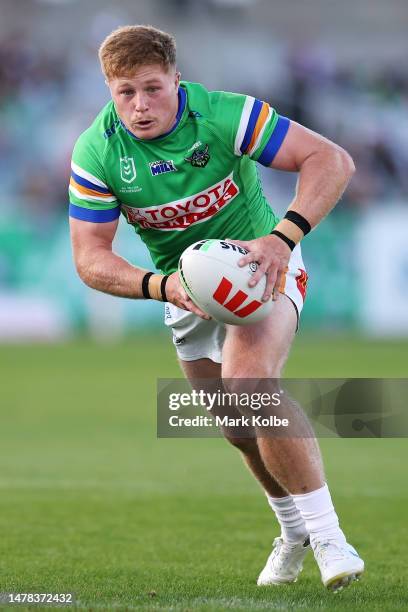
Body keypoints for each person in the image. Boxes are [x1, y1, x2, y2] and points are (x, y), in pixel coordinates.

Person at [69, 25, 364, 591]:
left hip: (260, 268)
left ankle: (330, 539)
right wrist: (163, 288)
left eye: (152, 88)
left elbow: (332, 160)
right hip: (184, 290)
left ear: (176, 79)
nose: (140, 105)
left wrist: (282, 240)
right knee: (233, 424)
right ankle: (292, 531)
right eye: (124, 93)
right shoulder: (98, 150)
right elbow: (90, 259)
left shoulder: (225, 115)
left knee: (250, 387)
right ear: (109, 91)